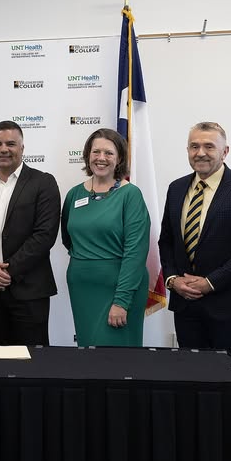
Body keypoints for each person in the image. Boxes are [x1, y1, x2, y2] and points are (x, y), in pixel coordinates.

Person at [157, 122, 231, 366]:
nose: (200, 153)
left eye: (209, 146)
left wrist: (210, 282)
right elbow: (166, 241)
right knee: (192, 377)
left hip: (228, 305)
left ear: (225, 151)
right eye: (194, 146)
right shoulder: (176, 189)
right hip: (185, 305)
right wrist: (173, 279)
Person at [0, 120, 61, 346]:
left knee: (34, 364)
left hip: (29, 291)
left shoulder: (43, 182)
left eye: (10, 143)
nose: (3, 149)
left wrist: (7, 272)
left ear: (22, 148)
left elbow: (44, 235)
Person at [61, 129, 150, 347]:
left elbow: (136, 253)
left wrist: (121, 301)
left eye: (109, 153)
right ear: (87, 155)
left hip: (119, 289)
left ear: (119, 157)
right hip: (83, 289)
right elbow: (68, 238)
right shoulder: (74, 194)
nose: (101, 158)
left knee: (116, 360)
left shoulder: (131, 195)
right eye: (96, 152)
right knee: (89, 355)